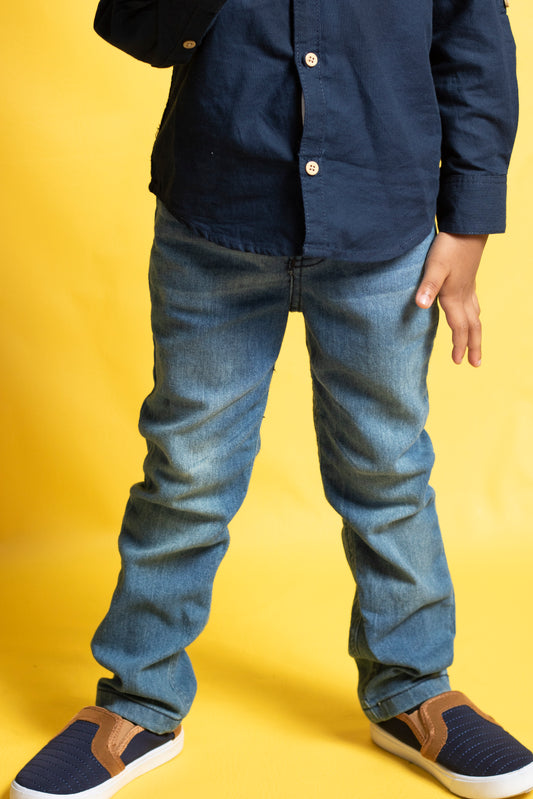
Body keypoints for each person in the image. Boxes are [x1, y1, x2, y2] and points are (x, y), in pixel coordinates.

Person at [10, 1, 533, 798]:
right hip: (214, 222)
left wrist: (469, 220)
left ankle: (412, 689)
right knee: (186, 473)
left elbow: (473, 45)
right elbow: (133, 25)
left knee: (387, 470)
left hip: (384, 229)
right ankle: (139, 700)